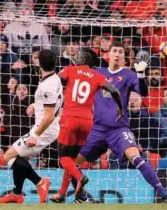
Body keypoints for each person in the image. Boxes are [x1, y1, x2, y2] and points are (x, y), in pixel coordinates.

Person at [75, 42, 167, 204]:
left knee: (136, 157)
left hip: (118, 129)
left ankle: (164, 195)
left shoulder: (129, 75)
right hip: (98, 129)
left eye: (120, 52)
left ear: (124, 57)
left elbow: (143, 92)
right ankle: (81, 197)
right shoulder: (97, 73)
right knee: (74, 163)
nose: (116, 54)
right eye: (114, 51)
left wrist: (142, 74)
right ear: (108, 54)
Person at [50, 51, 123, 203]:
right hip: (87, 121)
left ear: (81, 59)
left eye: (77, 56)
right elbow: (114, 91)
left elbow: (56, 80)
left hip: (69, 118)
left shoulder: (70, 69)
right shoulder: (97, 76)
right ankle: (62, 193)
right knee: (72, 160)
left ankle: (80, 177)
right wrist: (120, 108)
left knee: (63, 158)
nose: (75, 58)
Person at [0, 50, 62, 204]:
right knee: (18, 158)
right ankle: (16, 193)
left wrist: (36, 135)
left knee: (8, 156)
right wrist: (36, 104)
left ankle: (40, 182)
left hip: (44, 130)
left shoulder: (48, 85)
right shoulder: (54, 78)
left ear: (39, 63)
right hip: (47, 127)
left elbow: (49, 115)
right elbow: (52, 104)